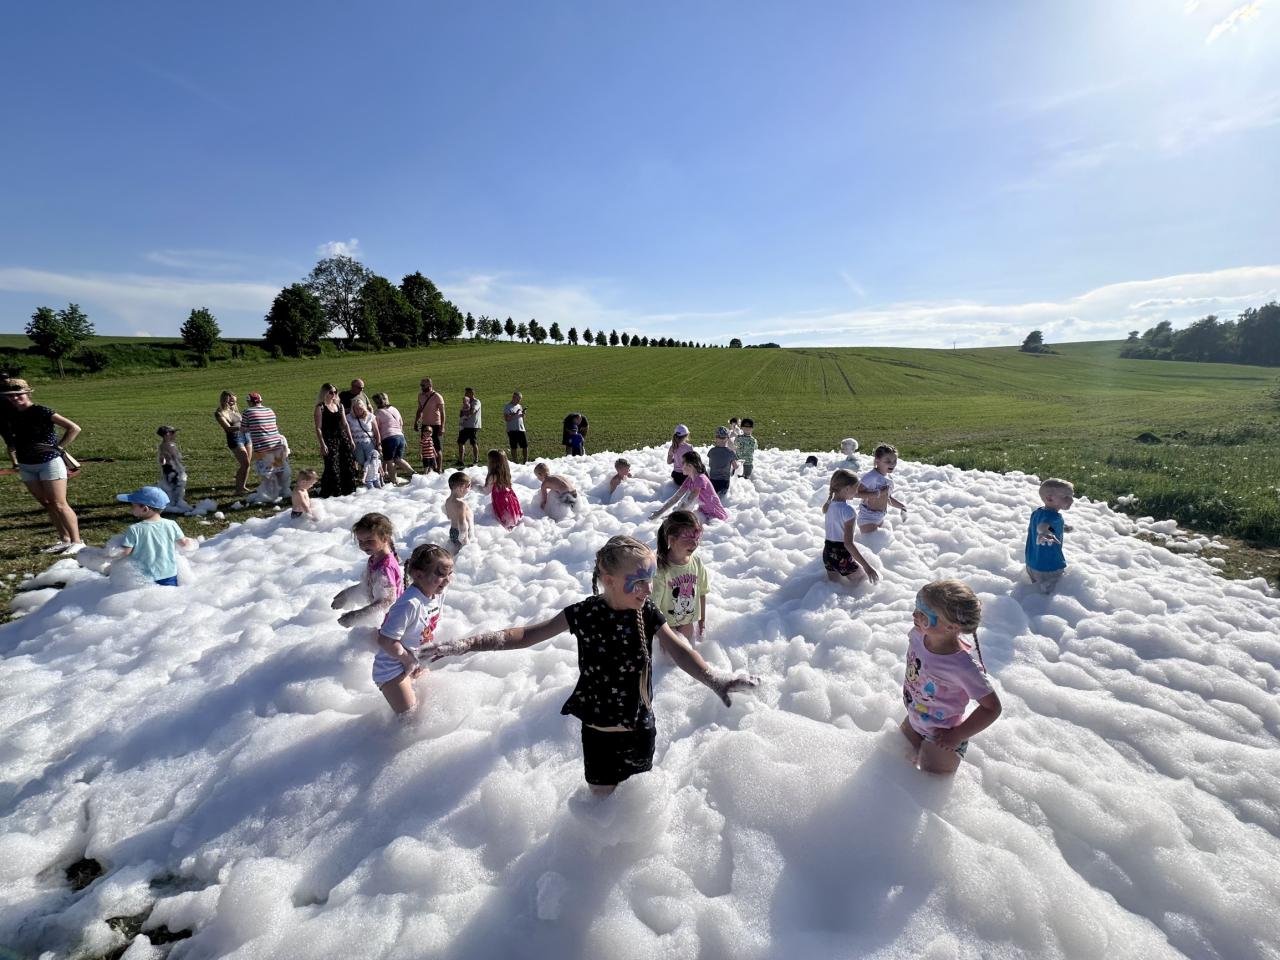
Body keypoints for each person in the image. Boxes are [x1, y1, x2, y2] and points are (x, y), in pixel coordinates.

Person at [421, 535, 758, 794]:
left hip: (640, 729)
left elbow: (680, 650)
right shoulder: (584, 613)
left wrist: (715, 678)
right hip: (597, 734)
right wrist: (468, 644)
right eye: (639, 581)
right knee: (601, 808)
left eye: (650, 580)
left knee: (637, 803)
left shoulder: (646, 611)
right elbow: (527, 634)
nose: (648, 589)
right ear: (608, 579)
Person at [901, 580, 1002, 775]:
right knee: (896, 767)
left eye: (924, 614)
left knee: (931, 783)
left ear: (952, 627)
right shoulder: (918, 635)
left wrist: (957, 735)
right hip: (915, 718)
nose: (915, 615)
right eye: (917, 606)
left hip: (943, 735)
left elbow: (992, 708)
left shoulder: (962, 666)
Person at [0, 377, 83, 553]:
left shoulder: (41, 411)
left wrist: (59, 447)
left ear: (27, 393)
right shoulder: (10, 415)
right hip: (26, 465)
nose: (14, 398)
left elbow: (74, 428)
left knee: (59, 503)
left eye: (18, 394)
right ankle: (64, 540)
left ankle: (77, 542)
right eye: (10, 395)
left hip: (49, 462)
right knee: (47, 503)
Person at [372, 543, 454, 716]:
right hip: (392, 668)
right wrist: (408, 660)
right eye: (441, 574)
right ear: (418, 574)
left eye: (450, 573)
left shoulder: (437, 593)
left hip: (415, 659)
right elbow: (385, 640)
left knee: (429, 707)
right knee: (410, 718)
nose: (447, 580)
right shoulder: (409, 604)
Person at [331, 513, 404, 627]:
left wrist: (356, 616)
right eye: (360, 541)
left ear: (384, 538)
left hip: (393, 620)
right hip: (386, 617)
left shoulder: (385, 567)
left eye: (369, 540)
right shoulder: (374, 558)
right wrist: (347, 595)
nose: (364, 545)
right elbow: (370, 585)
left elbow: (387, 600)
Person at [115, 485, 195, 586]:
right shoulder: (171, 524)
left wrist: (110, 553)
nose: (131, 508)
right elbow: (184, 544)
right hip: (169, 574)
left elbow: (125, 552)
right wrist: (192, 543)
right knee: (170, 595)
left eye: (133, 506)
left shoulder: (134, 529)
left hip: (144, 576)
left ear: (145, 509)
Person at [653, 511, 709, 640]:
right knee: (671, 650)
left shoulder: (697, 563)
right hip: (665, 626)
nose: (694, 544)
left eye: (697, 538)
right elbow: (653, 605)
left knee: (687, 648)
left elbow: (702, 592)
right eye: (688, 539)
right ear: (672, 540)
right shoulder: (661, 569)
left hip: (688, 620)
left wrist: (702, 620)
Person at [821, 469, 880, 585]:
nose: (857, 491)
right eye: (856, 488)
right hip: (842, 554)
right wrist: (867, 568)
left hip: (827, 553)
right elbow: (848, 544)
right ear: (847, 489)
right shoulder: (848, 511)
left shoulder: (828, 506)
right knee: (861, 584)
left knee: (833, 587)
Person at [1025, 478, 1074, 593]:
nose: (1071, 500)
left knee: (1035, 593)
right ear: (1049, 498)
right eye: (1066, 497)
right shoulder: (1054, 516)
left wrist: (1060, 528)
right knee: (1050, 596)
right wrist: (1044, 532)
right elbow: (1042, 526)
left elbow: (1044, 525)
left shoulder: (1037, 512)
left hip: (1032, 563)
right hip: (1049, 567)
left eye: (1072, 496)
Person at [241, 392, 292, 502]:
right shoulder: (270, 410)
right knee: (279, 470)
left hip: (262, 446)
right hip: (276, 444)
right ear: (260, 401)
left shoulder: (247, 412)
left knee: (267, 473)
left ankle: (269, 494)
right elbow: (274, 425)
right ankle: (283, 491)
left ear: (249, 402)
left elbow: (243, 429)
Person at [651, 451, 728, 523]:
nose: (681, 466)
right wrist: (659, 512)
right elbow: (676, 497)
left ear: (690, 465)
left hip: (717, 517)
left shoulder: (700, 479)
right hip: (705, 514)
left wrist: (672, 516)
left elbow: (689, 500)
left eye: (683, 463)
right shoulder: (689, 479)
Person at [314, 383, 357, 498]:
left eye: (335, 392)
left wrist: (350, 439)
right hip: (329, 439)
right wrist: (322, 444)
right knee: (332, 465)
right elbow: (318, 428)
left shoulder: (339, 406)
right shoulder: (320, 407)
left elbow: (345, 424)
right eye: (331, 392)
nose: (333, 394)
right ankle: (332, 490)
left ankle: (347, 489)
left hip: (341, 437)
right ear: (325, 393)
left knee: (346, 463)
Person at [856, 444, 907, 533]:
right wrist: (877, 493)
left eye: (895, 460)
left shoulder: (888, 479)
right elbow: (855, 493)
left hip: (880, 517)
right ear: (877, 461)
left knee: (880, 540)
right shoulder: (871, 477)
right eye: (887, 461)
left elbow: (887, 498)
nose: (892, 464)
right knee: (871, 541)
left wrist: (902, 507)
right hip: (867, 518)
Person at [373, 392, 415, 485]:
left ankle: (394, 481)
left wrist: (377, 441)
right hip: (400, 436)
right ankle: (413, 473)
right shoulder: (394, 409)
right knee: (398, 459)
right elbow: (401, 423)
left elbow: (377, 427)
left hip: (388, 438)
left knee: (389, 461)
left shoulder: (378, 413)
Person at [214, 391, 251, 494]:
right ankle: (238, 489)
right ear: (224, 400)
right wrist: (243, 428)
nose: (233, 403)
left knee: (247, 464)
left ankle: (242, 486)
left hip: (246, 437)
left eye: (234, 401)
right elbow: (228, 428)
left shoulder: (235, 410)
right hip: (235, 438)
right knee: (245, 463)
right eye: (230, 401)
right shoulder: (220, 413)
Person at [348, 396, 383, 489]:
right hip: (357, 444)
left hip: (369, 443)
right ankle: (368, 481)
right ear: (353, 409)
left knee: (373, 462)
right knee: (362, 462)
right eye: (356, 409)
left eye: (360, 408)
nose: (359, 410)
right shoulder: (349, 418)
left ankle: (376, 481)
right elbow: (347, 432)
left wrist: (379, 444)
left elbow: (376, 432)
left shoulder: (370, 416)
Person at [483, 448, 523, 529]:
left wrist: (475, 486)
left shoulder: (493, 476)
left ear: (492, 463)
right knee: (512, 522)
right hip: (510, 499)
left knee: (503, 524)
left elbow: (486, 491)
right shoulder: (505, 473)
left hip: (500, 502)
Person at [155, 426, 190, 513]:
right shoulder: (168, 445)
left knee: (173, 486)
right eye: (173, 433)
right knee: (177, 486)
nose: (175, 435)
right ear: (167, 434)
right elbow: (173, 458)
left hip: (170, 468)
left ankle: (175, 503)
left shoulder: (164, 445)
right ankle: (175, 504)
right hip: (171, 469)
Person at [414, 377, 445, 474]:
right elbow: (419, 409)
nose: (421, 387)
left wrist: (442, 427)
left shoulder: (437, 396)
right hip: (425, 424)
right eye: (421, 385)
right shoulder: (420, 396)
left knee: (437, 447)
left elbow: (442, 413)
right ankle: (430, 468)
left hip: (436, 424)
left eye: (423, 385)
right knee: (426, 446)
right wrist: (416, 421)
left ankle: (439, 468)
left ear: (430, 385)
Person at [443, 472, 475, 553]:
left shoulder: (447, 501)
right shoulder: (461, 504)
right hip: (461, 532)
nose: (469, 489)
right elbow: (462, 522)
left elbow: (449, 516)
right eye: (468, 486)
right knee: (465, 551)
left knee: (455, 550)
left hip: (452, 531)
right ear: (461, 487)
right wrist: (464, 536)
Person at [707, 426, 739, 496]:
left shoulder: (712, 451)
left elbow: (710, 465)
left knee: (713, 496)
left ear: (716, 438)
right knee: (722, 497)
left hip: (712, 481)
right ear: (727, 438)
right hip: (724, 482)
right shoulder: (730, 452)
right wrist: (739, 464)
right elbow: (735, 467)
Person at [456, 387, 482, 467]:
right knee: (460, 442)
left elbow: (473, 411)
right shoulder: (466, 402)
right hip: (464, 425)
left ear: (472, 393)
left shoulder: (476, 402)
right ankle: (460, 460)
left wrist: (465, 412)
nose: (465, 394)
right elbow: (461, 413)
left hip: (473, 425)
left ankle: (476, 460)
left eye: (467, 393)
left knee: (473, 442)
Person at [503, 391, 528, 465]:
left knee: (525, 446)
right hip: (512, 429)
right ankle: (515, 462)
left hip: (521, 428)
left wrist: (523, 414)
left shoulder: (519, 406)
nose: (519, 400)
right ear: (513, 397)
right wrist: (515, 414)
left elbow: (521, 418)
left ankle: (525, 461)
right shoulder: (507, 406)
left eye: (520, 399)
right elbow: (506, 419)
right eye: (518, 399)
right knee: (513, 447)